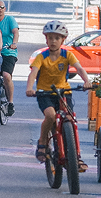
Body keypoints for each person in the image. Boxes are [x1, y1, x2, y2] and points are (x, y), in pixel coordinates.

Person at [26, 19, 90, 170]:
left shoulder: (67, 55)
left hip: (63, 92)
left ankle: (76, 156)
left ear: (63, 40)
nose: (53, 41)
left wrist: (87, 81)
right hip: (45, 93)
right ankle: (42, 142)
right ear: (46, 39)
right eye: (50, 38)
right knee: (50, 116)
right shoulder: (42, 57)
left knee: (70, 119)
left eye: (57, 38)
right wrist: (30, 88)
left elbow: (79, 69)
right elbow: (33, 73)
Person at [0, 0, 19, 117]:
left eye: (2, 7)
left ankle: (10, 102)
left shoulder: (10, 19)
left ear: (5, 9)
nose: (0, 9)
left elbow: (15, 32)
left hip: (8, 52)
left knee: (7, 75)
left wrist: (14, 43)